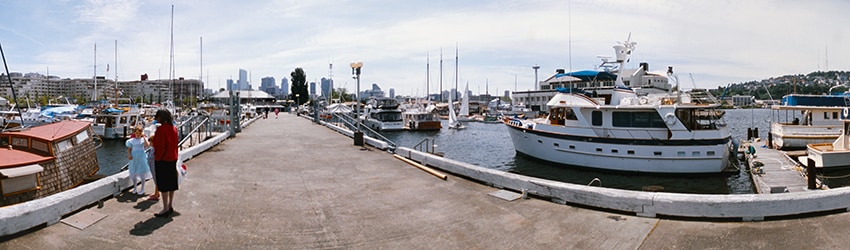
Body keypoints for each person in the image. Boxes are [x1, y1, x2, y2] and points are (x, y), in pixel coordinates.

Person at [151, 109, 179, 217]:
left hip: (163, 160)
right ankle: (170, 205)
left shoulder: (161, 130)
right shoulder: (174, 128)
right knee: (172, 184)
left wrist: (157, 158)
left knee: (164, 186)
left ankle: (165, 208)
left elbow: (160, 146)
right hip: (173, 158)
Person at [126, 126, 152, 195]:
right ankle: (135, 187)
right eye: (136, 133)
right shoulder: (131, 141)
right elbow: (129, 149)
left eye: (139, 133)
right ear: (134, 133)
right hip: (134, 157)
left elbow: (147, 145)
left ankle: (142, 188)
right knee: (133, 172)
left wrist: (143, 137)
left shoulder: (143, 140)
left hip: (141, 157)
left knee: (142, 173)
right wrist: (129, 155)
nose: (137, 134)